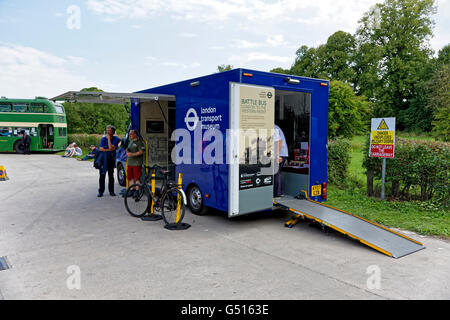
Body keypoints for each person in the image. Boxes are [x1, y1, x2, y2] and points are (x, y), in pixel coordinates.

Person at [97, 125, 120, 197]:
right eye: (107, 130)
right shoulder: (103, 139)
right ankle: (101, 191)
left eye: (109, 130)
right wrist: (108, 149)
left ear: (113, 132)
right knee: (102, 175)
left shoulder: (116, 139)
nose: (107, 132)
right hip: (103, 159)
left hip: (111, 159)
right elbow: (100, 148)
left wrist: (109, 139)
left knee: (111, 176)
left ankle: (111, 191)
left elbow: (111, 148)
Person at [126, 130, 145, 197]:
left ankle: (137, 191)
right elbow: (128, 150)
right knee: (130, 178)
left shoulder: (139, 142)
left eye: (131, 134)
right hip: (130, 163)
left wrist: (132, 154)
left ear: (135, 134)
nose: (130, 135)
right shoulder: (131, 141)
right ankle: (131, 190)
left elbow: (141, 152)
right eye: (129, 134)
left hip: (137, 163)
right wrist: (127, 151)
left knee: (137, 178)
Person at [273, 124, 288, 198]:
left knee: (276, 173)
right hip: (282, 153)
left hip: (280, 154)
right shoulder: (276, 127)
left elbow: (279, 141)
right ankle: (279, 192)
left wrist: (277, 155)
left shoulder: (274, 128)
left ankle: (277, 193)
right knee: (277, 173)